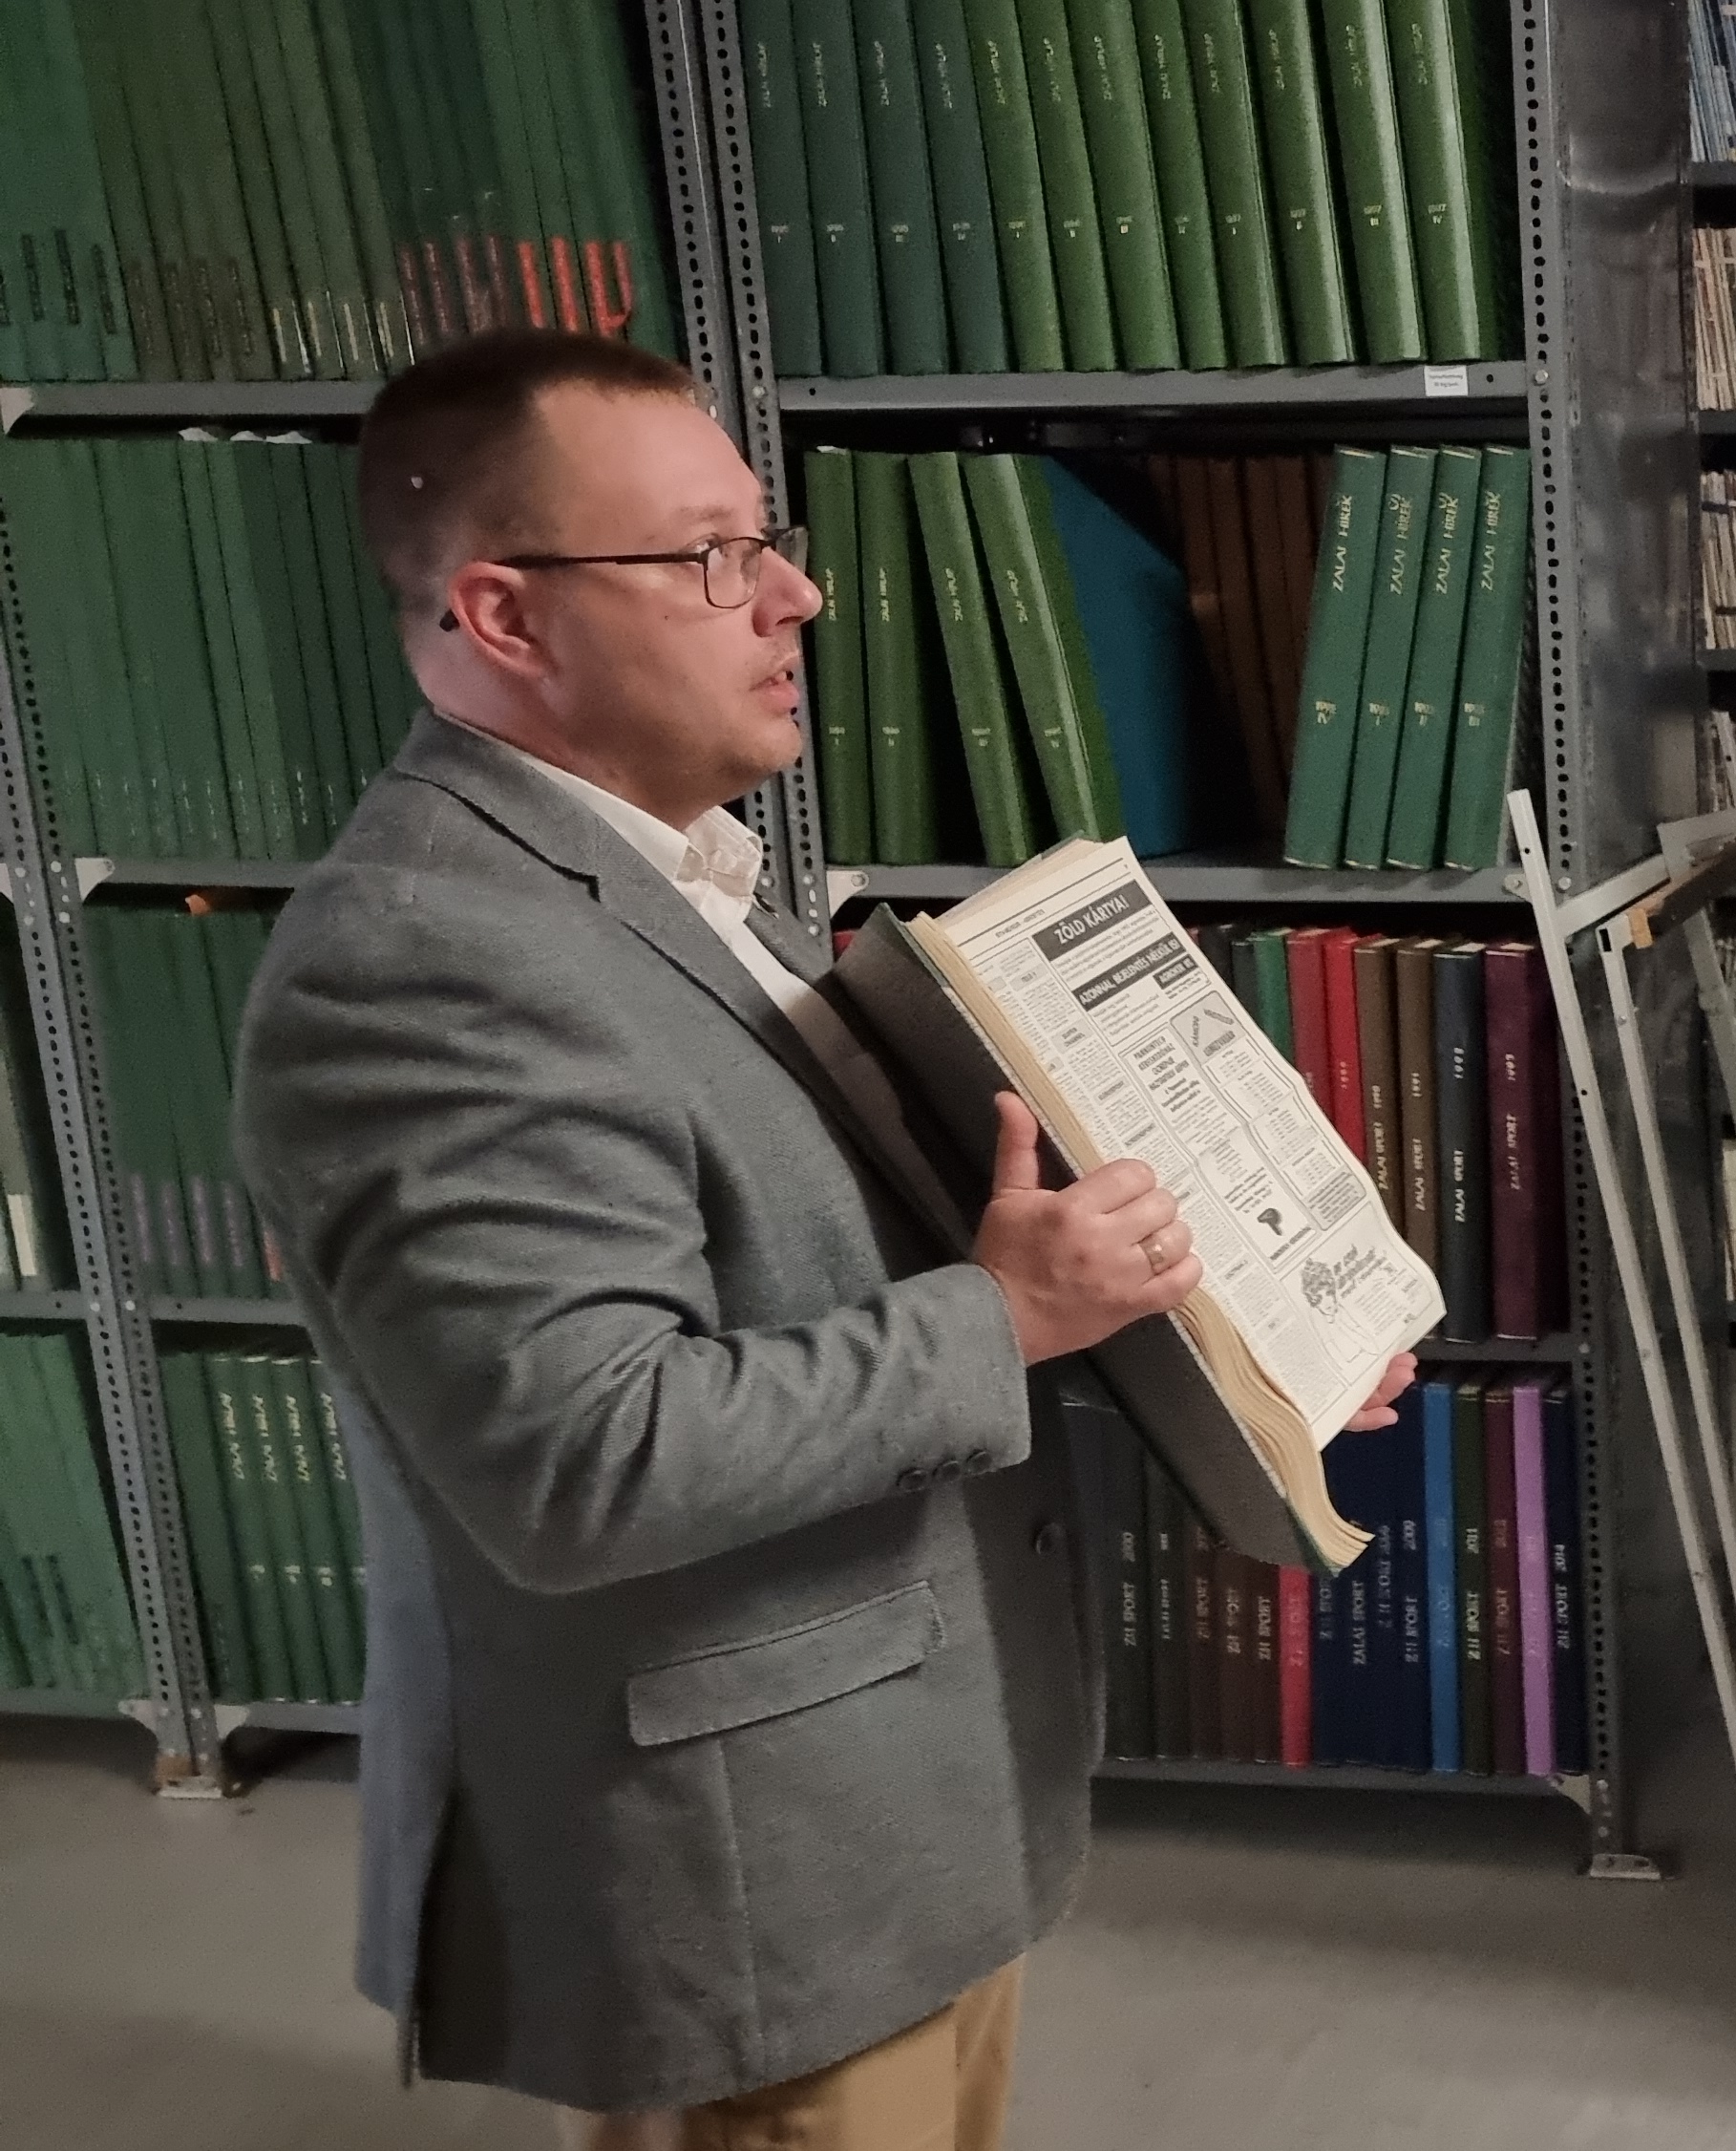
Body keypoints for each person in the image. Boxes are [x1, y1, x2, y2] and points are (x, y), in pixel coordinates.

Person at [229, 330, 1410, 2148]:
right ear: (506, 614)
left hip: (899, 1807)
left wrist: (1253, 1342)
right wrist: (1009, 1317)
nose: (797, 593)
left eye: (766, 541)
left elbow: (866, 1265)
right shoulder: (424, 960)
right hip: (754, 1877)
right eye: (711, 557)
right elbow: (580, 1460)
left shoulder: (674, 871)